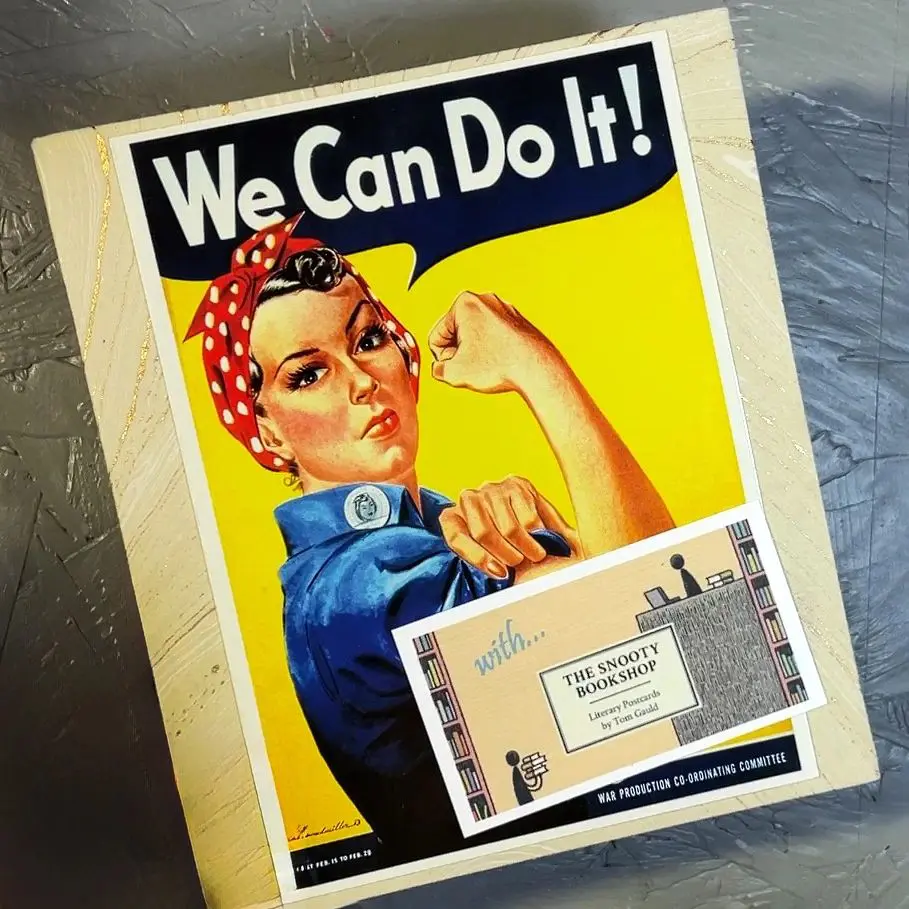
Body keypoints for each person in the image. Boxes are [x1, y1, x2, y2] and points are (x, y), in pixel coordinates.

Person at [186, 213, 674, 864]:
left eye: (365, 339)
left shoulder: (421, 526)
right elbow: (671, 626)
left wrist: (550, 528)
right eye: (307, 374)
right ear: (268, 433)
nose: (361, 379)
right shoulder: (360, 579)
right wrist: (536, 366)